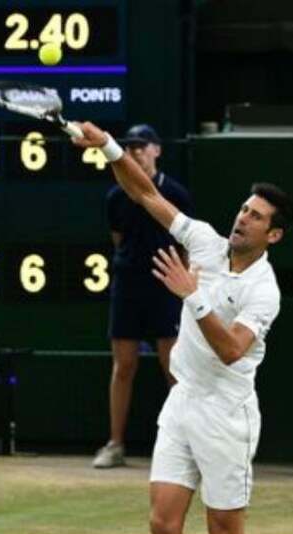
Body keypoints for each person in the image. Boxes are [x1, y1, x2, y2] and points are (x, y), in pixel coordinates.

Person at [73, 121, 293, 534]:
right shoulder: (206, 243)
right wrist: (107, 146)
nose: (243, 218)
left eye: (256, 216)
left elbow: (232, 350)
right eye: (244, 209)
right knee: (163, 524)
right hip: (183, 401)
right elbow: (145, 193)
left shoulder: (264, 291)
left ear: (273, 234)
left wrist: (193, 297)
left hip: (226, 415)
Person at [93, 124, 193, 469]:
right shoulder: (115, 197)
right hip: (128, 287)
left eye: (142, 145)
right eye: (131, 146)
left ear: (156, 150)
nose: (136, 151)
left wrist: (184, 287)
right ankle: (115, 444)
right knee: (123, 366)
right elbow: (118, 240)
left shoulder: (176, 193)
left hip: (165, 288)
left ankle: (186, 445)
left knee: (174, 367)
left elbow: (186, 247)